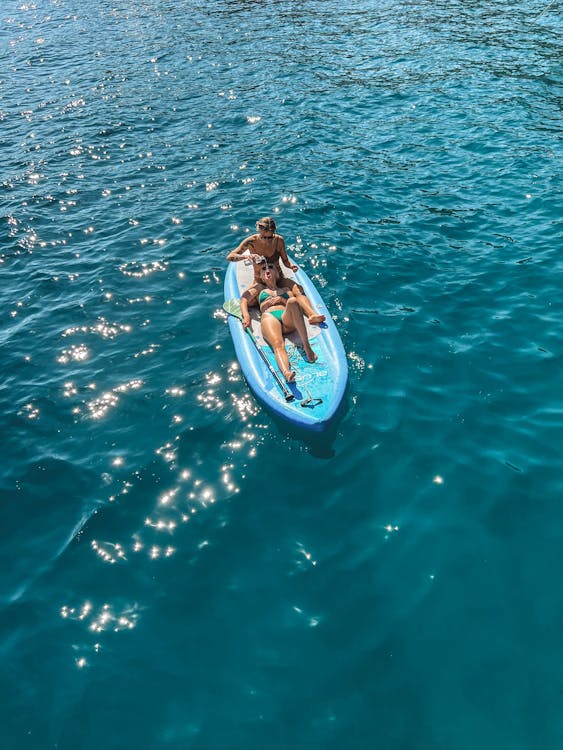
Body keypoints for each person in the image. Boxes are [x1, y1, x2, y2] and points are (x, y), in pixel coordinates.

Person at [227, 216, 325, 325]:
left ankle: (312, 315)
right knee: (248, 300)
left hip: (278, 277)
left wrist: (291, 266)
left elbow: (285, 261)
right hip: (260, 280)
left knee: (298, 290)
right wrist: (246, 257)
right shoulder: (251, 242)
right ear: (259, 231)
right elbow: (230, 256)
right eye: (264, 237)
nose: (267, 240)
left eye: (270, 237)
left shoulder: (279, 240)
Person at [240, 262, 317, 383]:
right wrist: (246, 316)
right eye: (263, 269)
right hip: (270, 317)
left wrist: (281, 299)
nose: (267, 270)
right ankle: (287, 373)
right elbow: (244, 299)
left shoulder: (285, 289)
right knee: (278, 345)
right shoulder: (260, 288)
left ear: (276, 273)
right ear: (261, 276)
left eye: (271, 267)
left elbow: (295, 306)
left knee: (292, 301)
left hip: (287, 319)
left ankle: (307, 346)